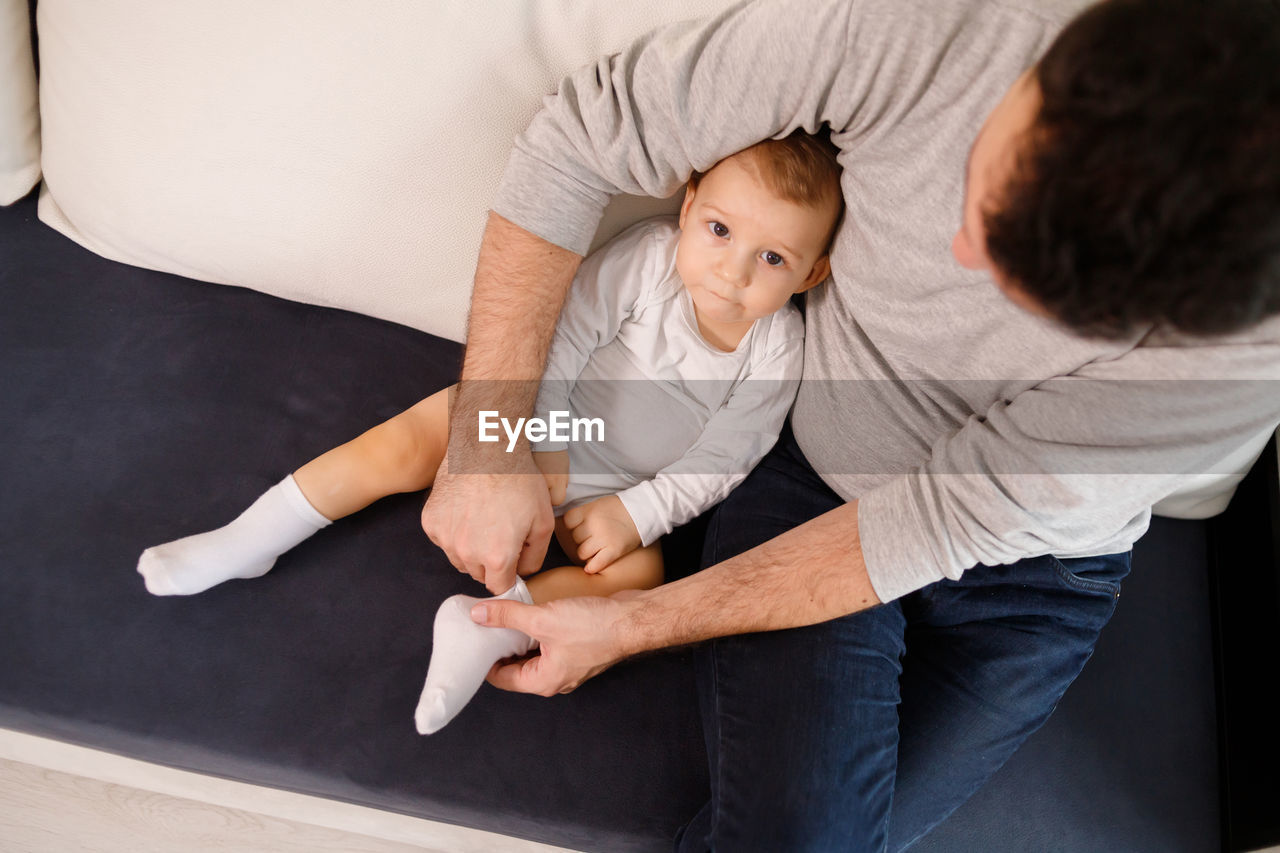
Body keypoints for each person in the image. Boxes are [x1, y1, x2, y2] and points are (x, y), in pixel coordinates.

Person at [419, 0, 1280, 848]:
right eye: (981, 184)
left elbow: (937, 522)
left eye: (1033, 290)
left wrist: (630, 623)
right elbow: (578, 143)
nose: (963, 256)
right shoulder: (923, 26)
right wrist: (488, 445)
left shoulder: (1243, 358)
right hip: (816, 485)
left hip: (1035, 574)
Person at [136, 131, 845, 735]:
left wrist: (636, 515)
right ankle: (254, 537)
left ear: (811, 273)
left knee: (640, 580)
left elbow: (727, 458)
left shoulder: (776, 350)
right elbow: (564, 339)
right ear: (689, 208)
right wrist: (544, 439)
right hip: (547, 417)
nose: (732, 270)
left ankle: (485, 626)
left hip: (629, 487)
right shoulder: (651, 261)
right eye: (720, 231)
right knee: (414, 437)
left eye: (772, 259)